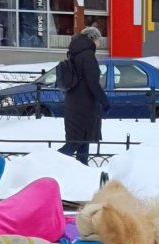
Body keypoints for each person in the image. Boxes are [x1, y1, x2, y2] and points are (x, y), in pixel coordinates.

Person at [58, 25, 110, 166]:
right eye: (99, 40)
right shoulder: (87, 55)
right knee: (75, 142)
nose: (100, 43)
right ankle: (50, 162)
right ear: (93, 39)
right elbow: (93, 82)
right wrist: (105, 102)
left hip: (73, 102)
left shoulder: (74, 53)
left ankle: (82, 170)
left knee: (82, 140)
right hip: (83, 106)